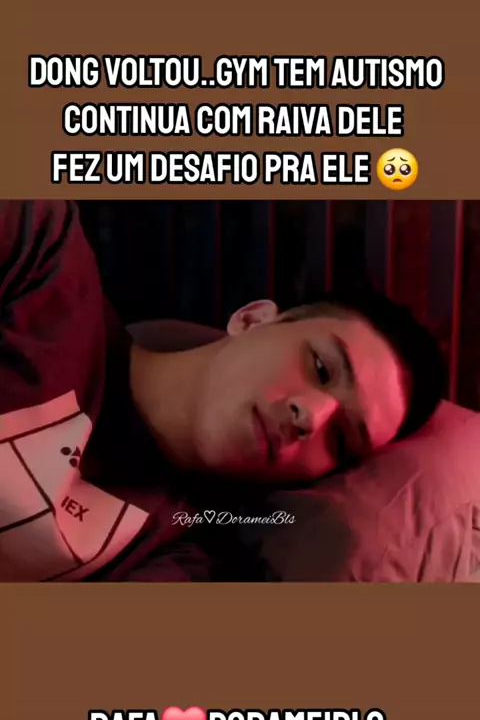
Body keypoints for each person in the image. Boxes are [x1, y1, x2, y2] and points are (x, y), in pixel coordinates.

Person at [0, 200, 445, 582]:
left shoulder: (179, 555)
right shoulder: (40, 254)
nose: (311, 418)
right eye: (321, 368)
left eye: (342, 439)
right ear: (252, 319)